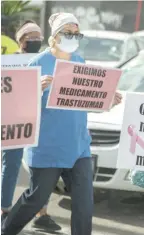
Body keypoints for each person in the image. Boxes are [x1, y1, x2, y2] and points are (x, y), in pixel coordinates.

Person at [1, 12, 122, 235]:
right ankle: (6, 230)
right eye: (68, 33)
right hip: (48, 148)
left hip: (78, 146)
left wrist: (107, 100)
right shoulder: (37, 63)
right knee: (35, 199)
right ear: (54, 37)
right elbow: (16, 103)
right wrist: (35, 88)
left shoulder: (79, 62)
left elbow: (84, 100)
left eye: (77, 34)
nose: (73, 38)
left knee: (84, 204)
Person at [1, 20, 62, 231]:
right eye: (31, 38)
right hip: (17, 119)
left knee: (42, 167)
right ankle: (4, 210)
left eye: (39, 37)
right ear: (21, 41)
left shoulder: (46, 60)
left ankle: (41, 213)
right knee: (11, 165)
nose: (36, 41)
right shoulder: (8, 62)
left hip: (42, 120)